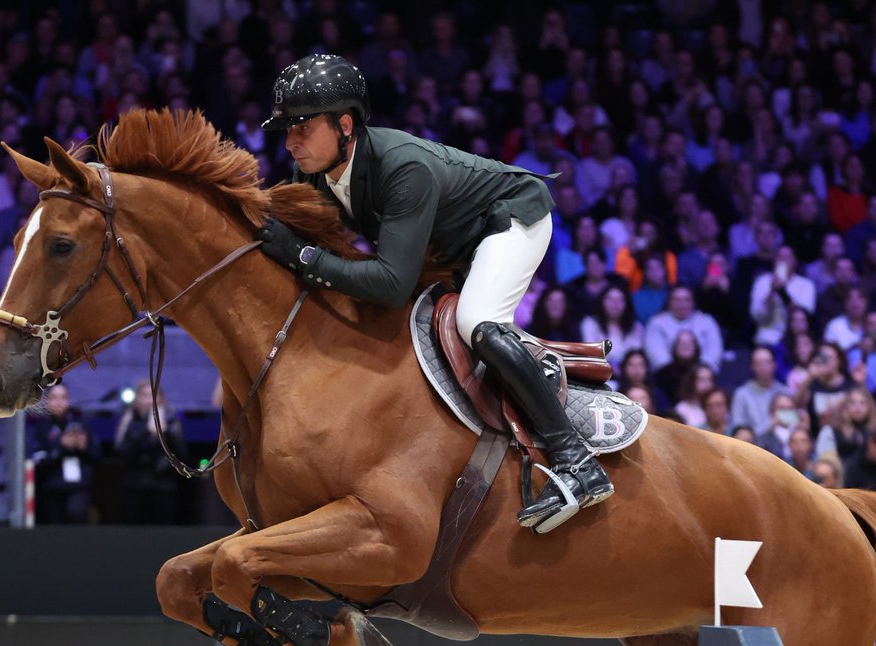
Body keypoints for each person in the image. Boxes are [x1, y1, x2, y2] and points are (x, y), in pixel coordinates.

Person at [255, 55, 612, 532]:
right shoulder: (313, 175)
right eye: (286, 129)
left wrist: (303, 259)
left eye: (301, 125)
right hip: (453, 243)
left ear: (344, 124)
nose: (291, 140)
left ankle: (576, 460)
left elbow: (390, 283)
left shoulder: (403, 167)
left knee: (476, 324)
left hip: (509, 220)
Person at [115, 380, 186, 525]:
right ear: (137, 399)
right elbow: (122, 452)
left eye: (153, 396)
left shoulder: (172, 421)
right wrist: (146, 432)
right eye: (145, 396)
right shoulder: (129, 420)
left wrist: (166, 434)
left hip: (163, 484)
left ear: (161, 399)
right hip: (135, 484)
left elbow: (183, 455)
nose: (149, 401)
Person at [26, 385, 97, 524]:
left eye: (63, 397)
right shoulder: (41, 427)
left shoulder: (81, 424)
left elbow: (97, 457)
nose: (59, 402)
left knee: (75, 514)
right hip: (51, 487)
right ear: (46, 401)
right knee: (53, 526)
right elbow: (38, 461)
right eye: (54, 398)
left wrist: (83, 448)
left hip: (78, 486)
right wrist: (61, 448)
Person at [643, 286, 724, 372]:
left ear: (693, 302)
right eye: (677, 300)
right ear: (669, 302)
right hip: (667, 375)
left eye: (687, 299)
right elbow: (656, 355)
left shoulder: (706, 321)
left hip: (703, 374)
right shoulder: (657, 322)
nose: (682, 304)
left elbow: (714, 350)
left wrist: (699, 372)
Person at [731, 346, 789, 436]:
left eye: (766, 362)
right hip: (752, 446)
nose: (762, 367)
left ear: (774, 364)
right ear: (752, 367)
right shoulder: (741, 394)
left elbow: (792, 423)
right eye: (758, 363)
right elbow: (738, 428)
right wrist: (770, 426)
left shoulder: (785, 392)